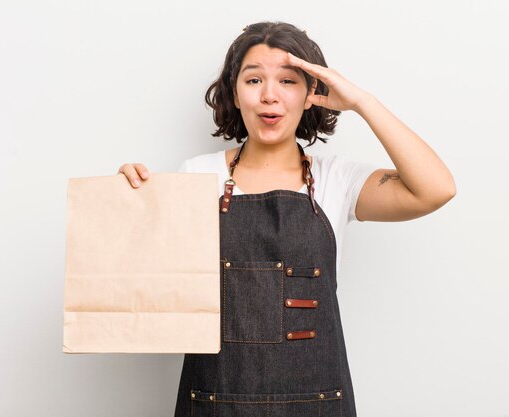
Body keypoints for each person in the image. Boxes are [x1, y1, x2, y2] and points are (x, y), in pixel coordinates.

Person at [118, 21, 455, 417]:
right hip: (214, 400)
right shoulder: (196, 175)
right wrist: (129, 200)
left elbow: (436, 189)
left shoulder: (337, 179)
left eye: (289, 81)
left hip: (317, 402)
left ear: (312, 92)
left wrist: (362, 102)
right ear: (234, 92)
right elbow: (153, 285)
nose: (269, 96)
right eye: (254, 79)